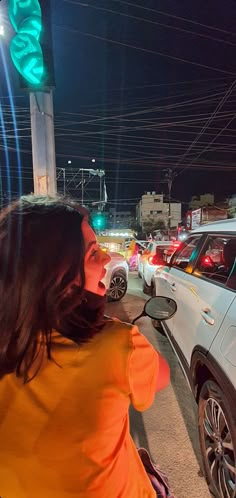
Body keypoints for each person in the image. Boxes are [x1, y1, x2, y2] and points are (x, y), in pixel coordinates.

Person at [0, 195, 170, 498]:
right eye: (93, 253)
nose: (106, 258)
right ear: (55, 276)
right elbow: (162, 376)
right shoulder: (119, 344)